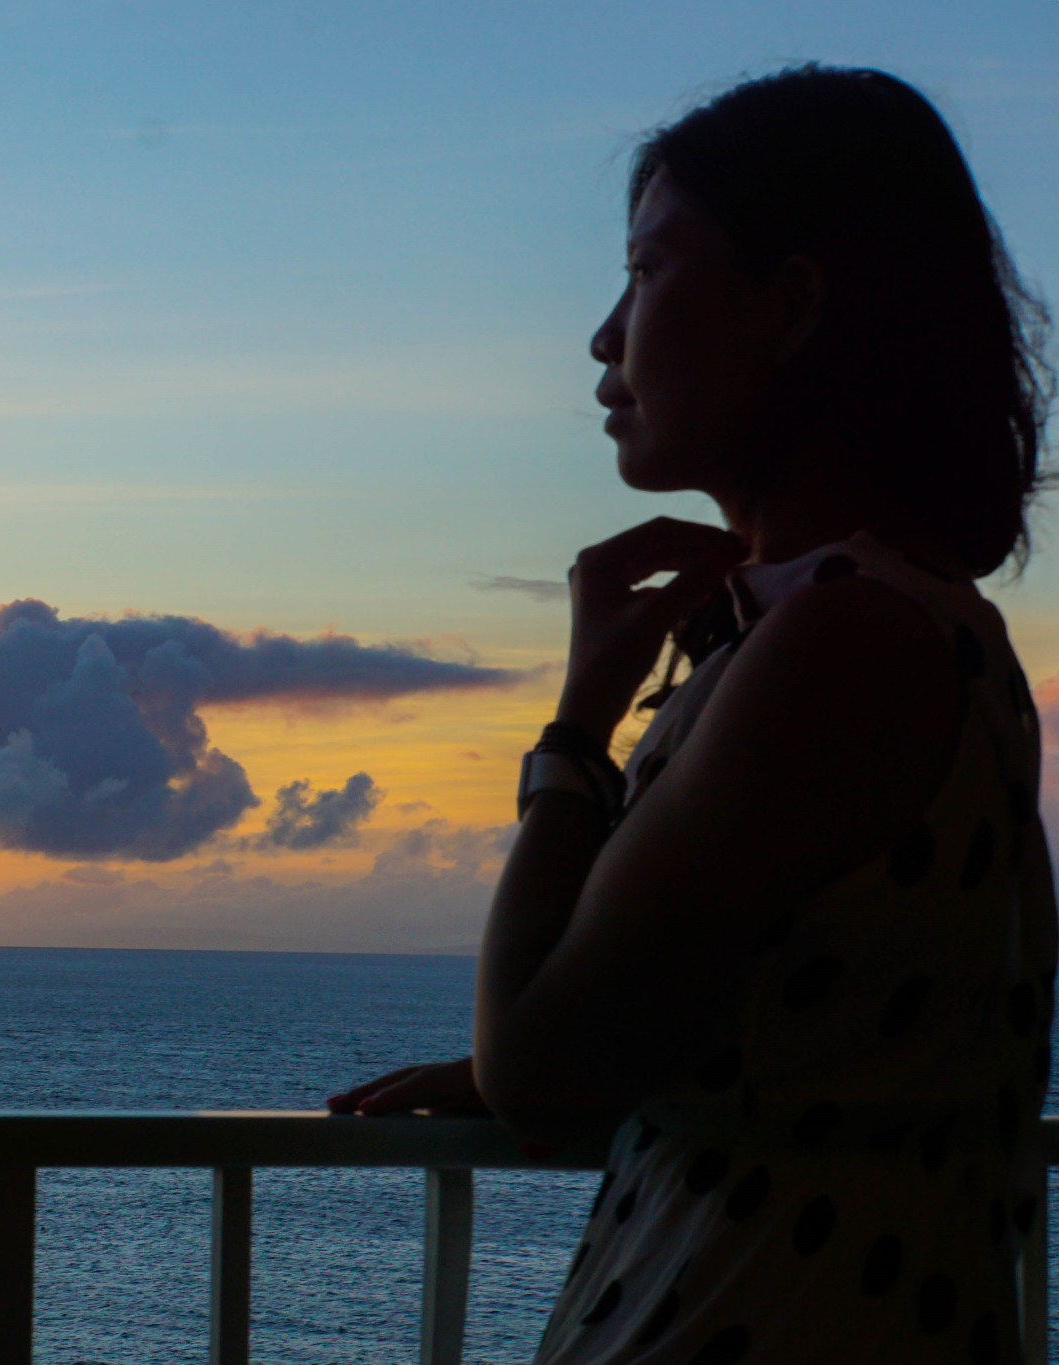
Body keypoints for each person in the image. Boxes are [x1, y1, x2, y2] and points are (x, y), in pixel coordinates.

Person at [328, 66, 1055, 1364]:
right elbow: (798, 1031)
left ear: (794, 306)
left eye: (649, 270)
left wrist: (574, 731)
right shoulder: (896, 628)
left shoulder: (842, 647)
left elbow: (539, 1068)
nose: (606, 338)